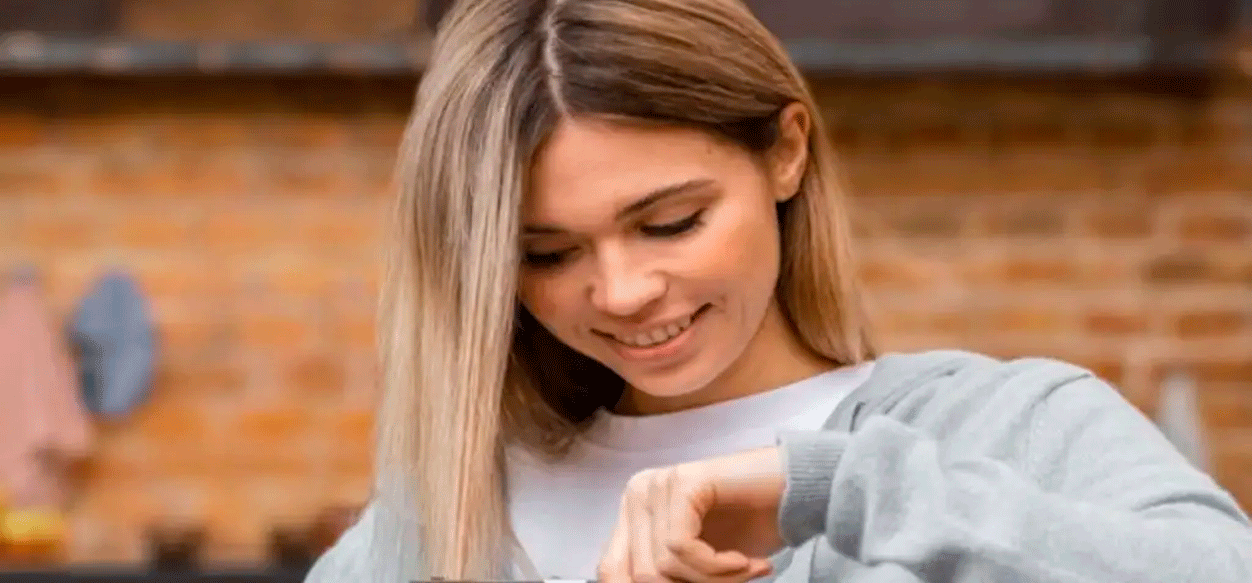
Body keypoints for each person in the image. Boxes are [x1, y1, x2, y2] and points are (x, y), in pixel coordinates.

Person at [303, 0, 1252, 582]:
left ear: (786, 151)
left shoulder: (1004, 427)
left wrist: (829, 487)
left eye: (670, 222)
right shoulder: (446, 518)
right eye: (546, 254)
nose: (624, 290)